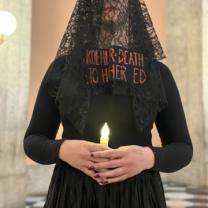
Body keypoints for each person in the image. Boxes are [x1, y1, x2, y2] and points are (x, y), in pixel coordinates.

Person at [23, 0, 193, 207]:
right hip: (74, 194)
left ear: (133, 7)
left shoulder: (156, 73)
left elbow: (183, 148)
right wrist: (63, 149)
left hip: (138, 195)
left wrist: (148, 157)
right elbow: (33, 141)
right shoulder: (63, 69)